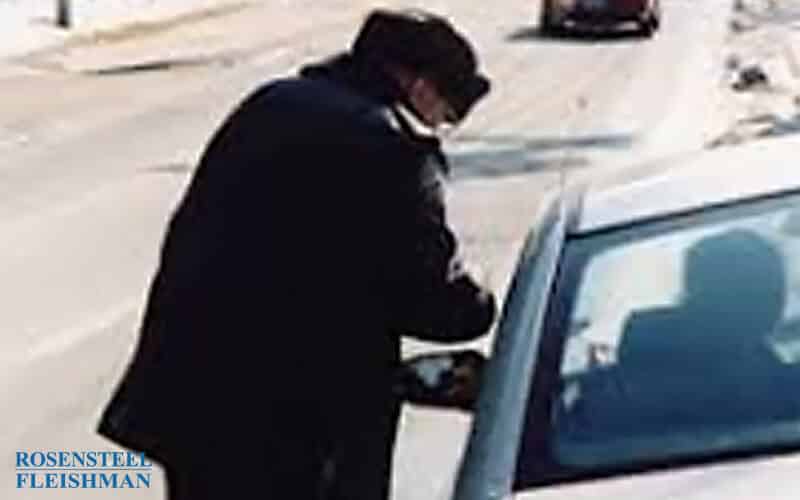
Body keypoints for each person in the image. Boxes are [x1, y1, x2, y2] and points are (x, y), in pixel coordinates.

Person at [97, 8, 497, 500]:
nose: (441, 123)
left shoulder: (269, 105)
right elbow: (441, 304)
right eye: (448, 110)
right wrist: (478, 291)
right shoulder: (392, 148)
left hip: (193, 405)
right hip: (298, 433)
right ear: (420, 87)